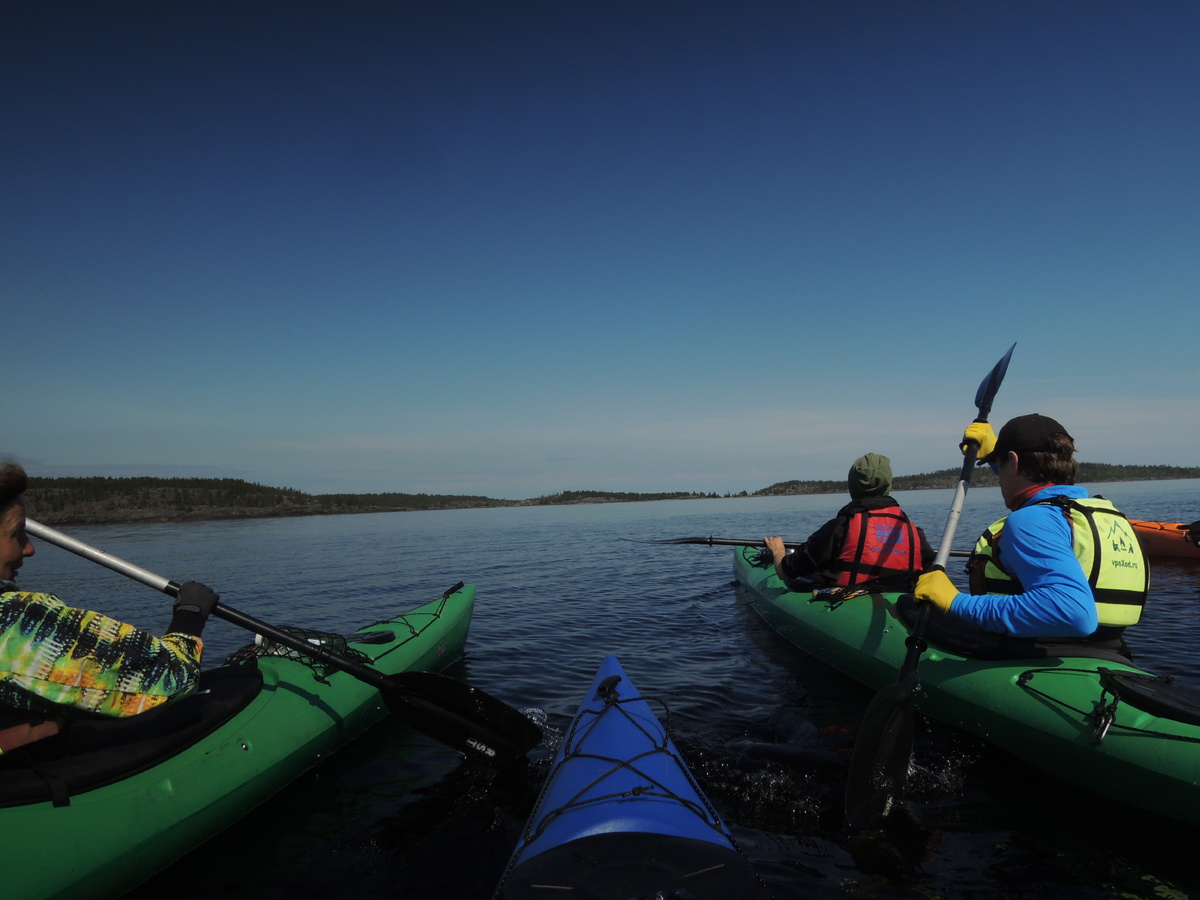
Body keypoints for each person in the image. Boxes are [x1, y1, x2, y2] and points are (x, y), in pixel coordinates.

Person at [0, 461, 220, 753]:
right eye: (17, 534)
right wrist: (189, 615)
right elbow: (170, 678)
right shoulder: (14, 623)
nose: (29, 548)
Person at [913, 414, 1148, 654]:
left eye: (1001, 465)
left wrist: (955, 602)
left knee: (905, 608)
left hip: (1037, 651)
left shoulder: (1032, 519)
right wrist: (996, 455)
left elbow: (1073, 614)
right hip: (1109, 650)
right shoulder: (1105, 515)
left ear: (1014, 461)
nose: (1000, 479)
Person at [764, 453, 936, 589]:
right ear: (888, 486)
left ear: (852, 487)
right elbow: (932, 574)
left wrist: (778, 551)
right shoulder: (914, 532)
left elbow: (785, 571)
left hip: (850, 598)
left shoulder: (840, 527)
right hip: (901, 599)